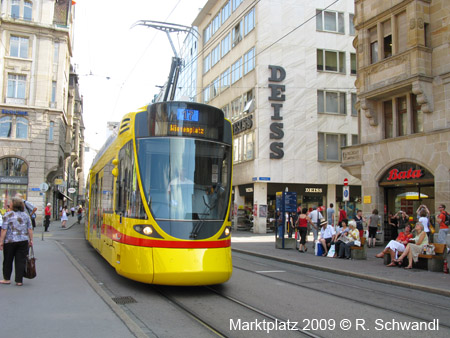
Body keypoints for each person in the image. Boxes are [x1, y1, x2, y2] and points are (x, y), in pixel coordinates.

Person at [0, 197, 33, 286]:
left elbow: (4, 229)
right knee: (21, 260)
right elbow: (30, 228)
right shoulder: (26, 215)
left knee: (7, 260)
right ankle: (19, 280)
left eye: (10, 203)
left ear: (13, 205)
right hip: (23, 241)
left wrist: (1, 241)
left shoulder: (8, 215)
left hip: (10, 241)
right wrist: (31, 240)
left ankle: (7, 279)